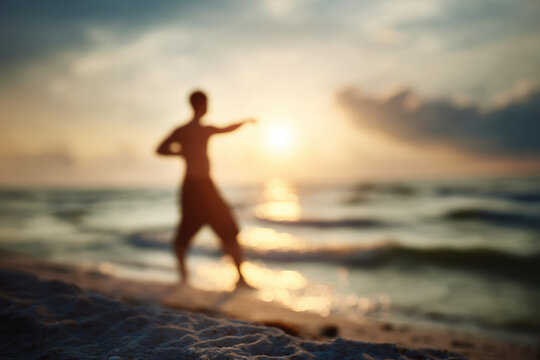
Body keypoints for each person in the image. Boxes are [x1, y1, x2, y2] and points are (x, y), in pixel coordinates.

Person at [156, 90, 255, 288]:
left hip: (195, 186)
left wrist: (180, 152)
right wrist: (244, 123)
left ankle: (186, 277)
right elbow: (226, 129)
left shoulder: (182, 130)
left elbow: (162, 149)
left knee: (192, 230)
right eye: (206, 103)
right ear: (201, 105)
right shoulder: (200, 129)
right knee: (225, 228)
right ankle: (237, 279)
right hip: (200, 187)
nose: (208, 106)